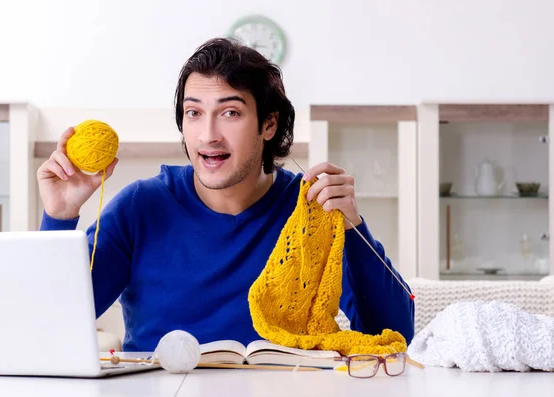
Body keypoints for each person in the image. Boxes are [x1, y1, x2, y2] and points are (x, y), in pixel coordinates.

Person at [37, 37, 414, 352]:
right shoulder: (139, 207)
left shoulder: (310, 212)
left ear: (268, 124)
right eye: (194, 113)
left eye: (230, 113)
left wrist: (353, 228)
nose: (208, 135)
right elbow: (51, 327)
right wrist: (59, 214)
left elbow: (396, 336)